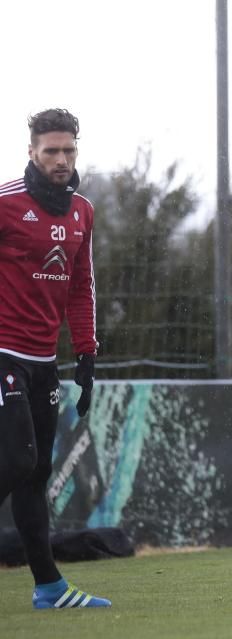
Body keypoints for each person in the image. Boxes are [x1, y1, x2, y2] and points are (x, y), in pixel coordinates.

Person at [0, 109, 110, 608]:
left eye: (69, 150)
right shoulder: (5, 204)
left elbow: (80, 288)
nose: (61, 160)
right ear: (31, 153)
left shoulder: (82, 211)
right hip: (3, 353)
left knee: (37, 471)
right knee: (17, 459)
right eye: (51, 151)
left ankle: (49, 588)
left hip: (45, 360)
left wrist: (85, 355)